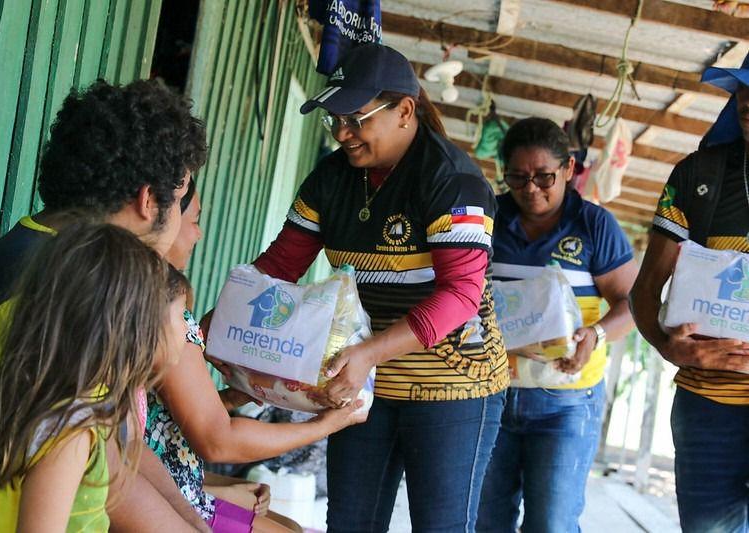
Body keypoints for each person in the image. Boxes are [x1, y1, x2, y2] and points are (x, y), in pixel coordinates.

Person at [250, 43, 508, 532]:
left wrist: (368, 353)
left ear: (405, 112)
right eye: (334, 120)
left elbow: (460, 296)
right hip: (363, 383)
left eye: (356, 119)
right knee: (350, 522)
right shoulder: (332, 177)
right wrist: (223, 327)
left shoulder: (451, 180)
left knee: (441, 525)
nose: (343, 134)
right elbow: (281, 265)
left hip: (451, 384)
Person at [0, 78, 207, 531]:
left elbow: (117, 445)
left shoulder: (57, 259)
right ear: (150, 200)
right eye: (183, 198)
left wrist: (195, 518)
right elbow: (105, 480)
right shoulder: (53, 286)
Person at [144, 177, 365, 532]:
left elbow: (154, 425)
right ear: (156, 212)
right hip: (171, 496)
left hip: (176, 484)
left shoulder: (147, 296)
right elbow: (218, 441)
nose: (199, 234)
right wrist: (322, 426)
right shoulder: (164, 310)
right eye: (195, 220)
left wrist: (228, 401)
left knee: (290, 525)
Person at [0, 222, 207, 532]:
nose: (186, 329)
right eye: (178, 314)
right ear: (131, 326)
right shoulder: (72, 425)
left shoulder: (90, 402)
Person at [476, 117, 637, 533]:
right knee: (485, 520)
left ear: (568, 169)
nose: (531, 188)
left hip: (566, 403)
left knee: (551, 523)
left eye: (545, 176)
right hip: (490, 393)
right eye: (518, 177)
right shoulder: (488, 218)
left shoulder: (594, 226)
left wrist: (596, 333)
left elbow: (633, 303)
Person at [631, 54, 749, 532]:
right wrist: (664, 343)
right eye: (743, 89)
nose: (748, 102)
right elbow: (645, 291)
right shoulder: (700, 177)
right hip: (708, 410)